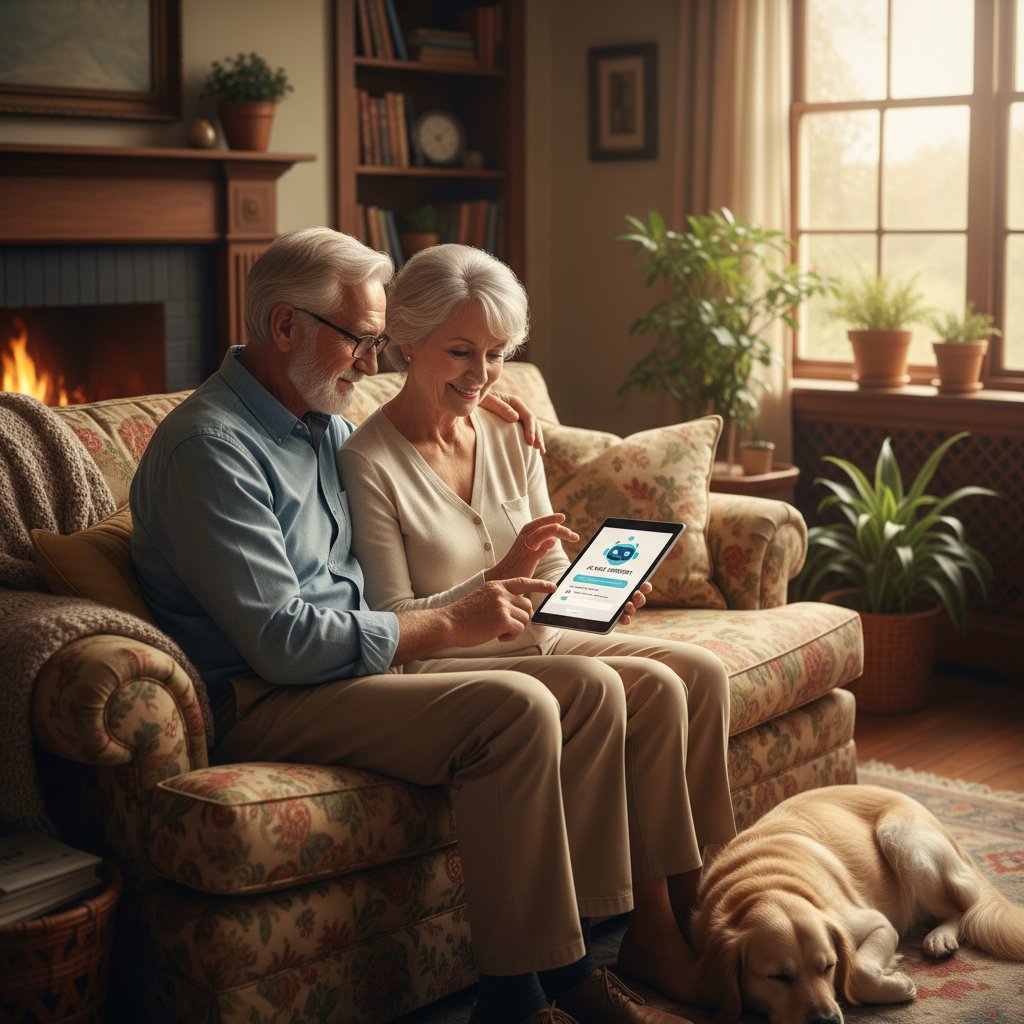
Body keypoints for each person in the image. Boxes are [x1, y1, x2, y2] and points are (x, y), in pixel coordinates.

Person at [130, 227, 689, 1024]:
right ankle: (531, 994)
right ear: (286, 327)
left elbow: (412, 411)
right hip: (266, 697)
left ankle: (598, 949)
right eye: (360, 338)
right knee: (517, 710)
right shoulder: (211, 449)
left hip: (346, 673)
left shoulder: (312, 414)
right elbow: (284, 642)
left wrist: (478, 396)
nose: (372, 360)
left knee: (594, 690)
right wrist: (451, 621)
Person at [338, 244, 737, 1004]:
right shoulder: (368, 462)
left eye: (494, 354)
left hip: (539, 633)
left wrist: (595, 593)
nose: (482, 374)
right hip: (448, 660)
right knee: (637, 686)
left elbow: (544, 567)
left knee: (698, 673)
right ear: (405, 340)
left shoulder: (506, 429)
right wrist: (492, 580)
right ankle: (640, 932)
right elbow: (390, 622)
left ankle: (693, 910)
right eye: (461, 351)